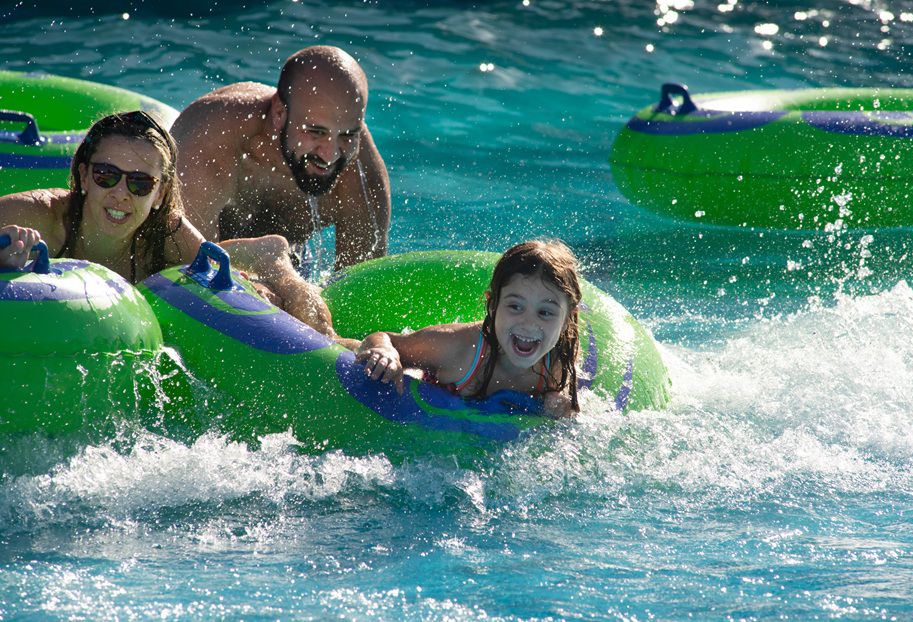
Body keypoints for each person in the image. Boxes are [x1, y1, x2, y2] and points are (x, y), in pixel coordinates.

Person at [0, 110, 341, 341]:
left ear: (160, 193)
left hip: (169, 265)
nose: (120, 194)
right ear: (85, 176)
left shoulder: (165, 235)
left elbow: (270, 318)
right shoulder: (37, 217)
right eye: (106, 175)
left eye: (139, 184)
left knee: (263, 295)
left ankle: (267, 254)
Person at [171, 45, 391, 273]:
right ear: (279, 114)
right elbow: (191, 270)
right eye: (316, 132)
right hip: (217, 253)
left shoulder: (362, 175)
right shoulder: (211, 141)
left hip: (292, 261)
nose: (330, 155)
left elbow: (358, 288)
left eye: (347, 136)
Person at [355, 240, 582, 418]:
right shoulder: (460, 348)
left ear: (566, 320)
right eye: (515, 306)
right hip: (429, 386)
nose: (529, 324)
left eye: (545, 312)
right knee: (347, 344)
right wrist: (386, 352)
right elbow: (384, 338)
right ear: (492, 305)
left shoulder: (559, 361)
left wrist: (555, 397)